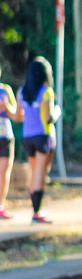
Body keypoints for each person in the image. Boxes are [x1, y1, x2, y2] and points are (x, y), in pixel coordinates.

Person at [14, 56, 61, 224]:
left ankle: (35, 209)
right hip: (43, 135)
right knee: (41, 173)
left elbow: (18, 116)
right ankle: (37, 211)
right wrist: (57, 111)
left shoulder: (22, 92)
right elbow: (49, 117)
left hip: (27, 137)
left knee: (35, 172)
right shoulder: (46, 92)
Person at [0, 67, 17, 219]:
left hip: (5, 135)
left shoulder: (6, 90)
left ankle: (1, 206)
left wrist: (6, 106)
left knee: (4, 173)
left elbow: (17, 115)